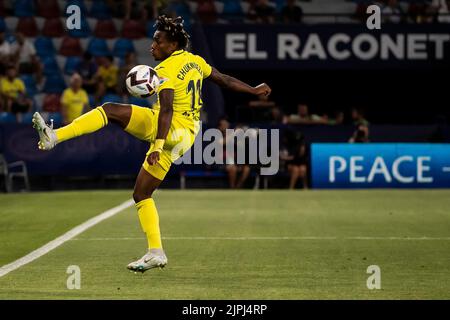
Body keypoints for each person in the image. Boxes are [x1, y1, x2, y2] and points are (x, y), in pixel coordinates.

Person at [31, 15, 271, 273]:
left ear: (173, 43)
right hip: (187, 136)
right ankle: (155, 251)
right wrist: (253, 90)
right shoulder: (195, 61)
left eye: (158, 41)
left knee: (110, 109)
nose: (152, 46)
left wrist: (156, 147)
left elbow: (166, 110)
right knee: (141, 194)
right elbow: (223, 79)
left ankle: (55, 136)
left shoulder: (166, 71)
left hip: (170, 129)